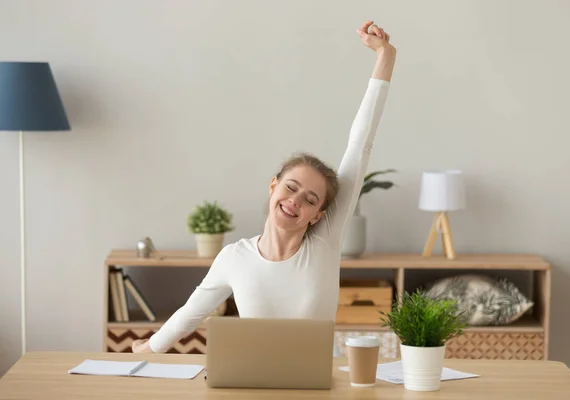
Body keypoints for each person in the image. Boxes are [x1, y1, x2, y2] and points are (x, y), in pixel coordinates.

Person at [132, 20, 396, 354]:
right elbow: (190, 314)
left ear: (317, 215)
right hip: (257, 380)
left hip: (318, 382)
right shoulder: (234, 258)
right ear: (273, 187)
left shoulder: (325, 241)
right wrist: (150, 348)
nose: (295, 201)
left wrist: (385, 55)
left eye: (310, 199)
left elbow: (361, 144)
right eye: (291, 187)